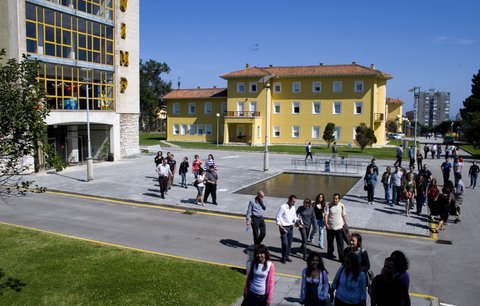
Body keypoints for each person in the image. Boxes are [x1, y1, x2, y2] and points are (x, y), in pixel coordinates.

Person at [276, 195, 298, 264]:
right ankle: (283, 257)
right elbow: (278, 217)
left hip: (291, 227)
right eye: (293, 201)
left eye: (295, 201)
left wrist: (298, 220)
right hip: (284, 228)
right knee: (285, 243)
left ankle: (287, 256)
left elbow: (294, 216)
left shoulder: (293, 207)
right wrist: (280, 226)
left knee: (289, 243)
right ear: (289, 200)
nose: (294, 203)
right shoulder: (283, 207)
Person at [325, 193, 347, 261]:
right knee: (330, 242)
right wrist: (326, 224)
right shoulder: (329, 205)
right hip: (330, 227)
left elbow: (344, 215)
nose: (335, 200)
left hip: (339, 228)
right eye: (334, 198)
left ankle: (341, 257)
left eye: (336, 199)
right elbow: (326, 215)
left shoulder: (342, 206)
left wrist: (345, 224)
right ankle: (330, 254)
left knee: (340, 243)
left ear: (339, 199)